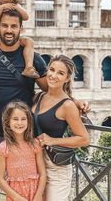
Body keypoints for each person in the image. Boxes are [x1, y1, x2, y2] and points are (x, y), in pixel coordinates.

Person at [0, 9, 90, 201]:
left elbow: (51, 90)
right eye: (5, 26)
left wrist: (74, 103)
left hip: (24, 137)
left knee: (29, 188)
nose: (9, 30)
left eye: (14, 26)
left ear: (20, 29)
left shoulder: (32, 58)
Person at [32, 55, 90, 201]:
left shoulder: (68, 105)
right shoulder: (39, 97)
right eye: (51, 70)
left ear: (67, 78)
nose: (53, 75)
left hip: (56, 167)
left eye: (60, 73)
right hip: (36, 163)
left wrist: (52, 140)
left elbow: (84, 139)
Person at [0, 100, 46, 201]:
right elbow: (0, 179)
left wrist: (38, 196)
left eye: (23, 119)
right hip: (15, 195)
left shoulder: (35, 144)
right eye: (15, 119)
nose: (19, 123)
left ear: (28, 121)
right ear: (8, 121)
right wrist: (17, 198)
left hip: (35, 193)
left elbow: (43, 173)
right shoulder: (2, 148)